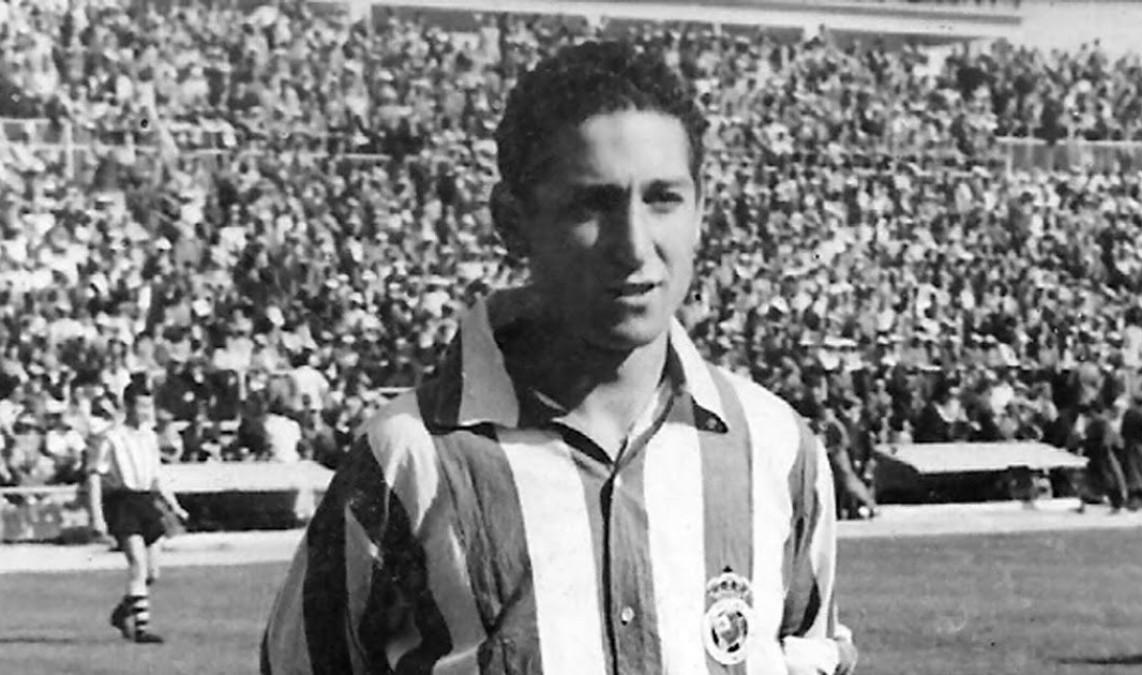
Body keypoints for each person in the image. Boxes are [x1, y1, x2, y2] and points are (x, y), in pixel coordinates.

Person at [261, 41, 857, 675]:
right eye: (590, 205)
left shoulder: (777, 448)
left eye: (663, 198)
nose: (634, 245)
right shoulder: (408, 460)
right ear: (512, 222)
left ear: (701, 208)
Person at [86, 380, 189, 644]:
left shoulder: (150, 436)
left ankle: (122, 614)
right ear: (128, 406)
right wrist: (96, 516)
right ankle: (141, 630)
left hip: (146, 500)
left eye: (149, 406)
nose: (146, 411)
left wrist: (174, 505)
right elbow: (94, 476)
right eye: (142, 406)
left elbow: (156, 477)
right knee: (138, 565)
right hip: (122, 501)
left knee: (152, 572)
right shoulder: (111, 437)